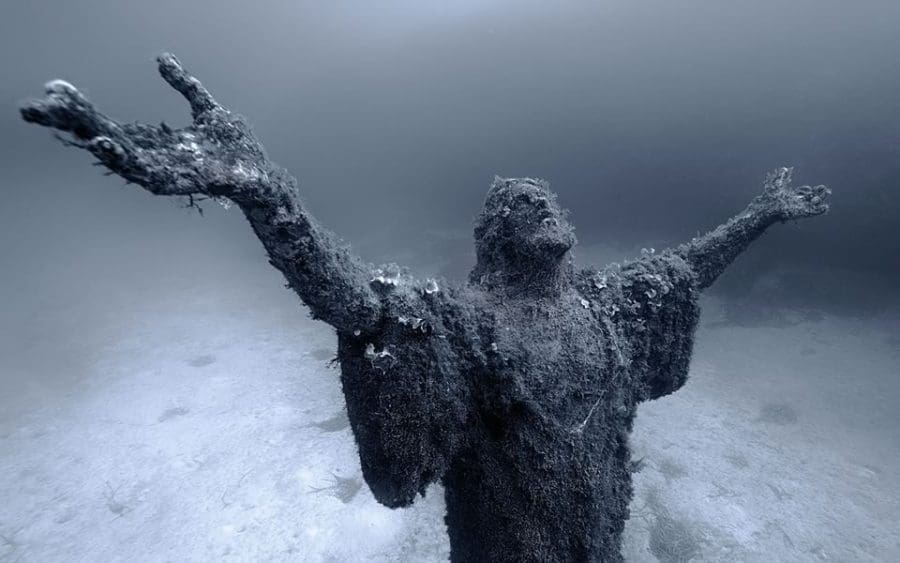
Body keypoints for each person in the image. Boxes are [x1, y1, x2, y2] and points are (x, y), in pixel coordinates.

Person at [20, 54, 830, 562]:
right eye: (519, 203)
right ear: (492, 235)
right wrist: (264, 194)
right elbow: (361, 306)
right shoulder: (467, 325)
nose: (539, 204)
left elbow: (682, 271)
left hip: (599, 538)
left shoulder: (605, 307)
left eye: (546, 197)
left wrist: (761, 214)